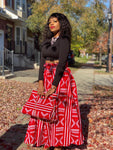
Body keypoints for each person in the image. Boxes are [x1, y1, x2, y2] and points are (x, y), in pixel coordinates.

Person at [24, 13, 84, 150]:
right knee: (45, 109)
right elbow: (42, 61)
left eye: (55, 21)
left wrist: (54, 85)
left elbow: (62, 63)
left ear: (61, 23)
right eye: (49, 22)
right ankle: (47, 139)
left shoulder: (64, 40)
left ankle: (58, 143)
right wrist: (40, 82)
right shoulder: (46, 41)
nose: (51, 24)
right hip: (46, 75)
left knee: (59, 112)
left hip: (60, 78)